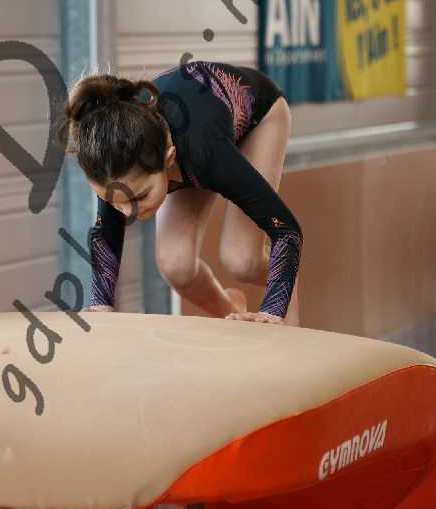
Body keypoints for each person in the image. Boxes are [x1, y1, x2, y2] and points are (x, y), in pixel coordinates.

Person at [57, 57, 302, 325]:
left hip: (260, 118)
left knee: (242, 260)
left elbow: (287, 231)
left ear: (169, 159)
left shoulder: (205, 154)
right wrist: (100, 304)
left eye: (140, 197)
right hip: (198, 131)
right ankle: (231, 312)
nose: (128, 212)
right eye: (115, 202)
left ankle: (286, 288)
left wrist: (272, 310)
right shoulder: (115, 163)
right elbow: (106, 234)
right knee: (176, 265)